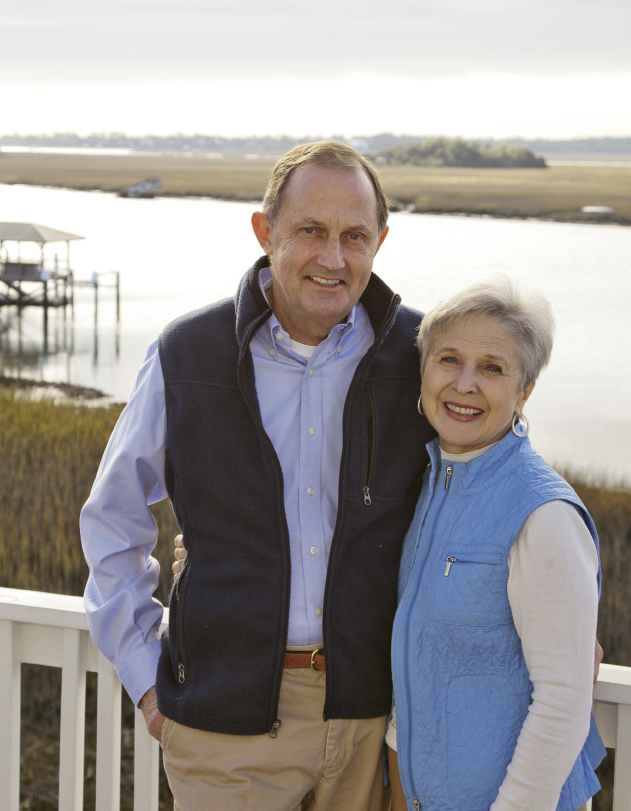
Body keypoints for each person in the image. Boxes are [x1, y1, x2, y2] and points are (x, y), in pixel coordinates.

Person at [80, 140, 435, 811]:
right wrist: (145, 677)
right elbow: (111, 519)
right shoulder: (189, 353)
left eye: (354, 236)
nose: (333, 258)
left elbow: (498, 485)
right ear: (264, 231)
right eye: (310, 231)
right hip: (226, 724)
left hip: (374, 723)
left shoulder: (421, 355)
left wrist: (556, 608)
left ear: (380, 242)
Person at [386, 277, 605, 811]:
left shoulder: (544, 514)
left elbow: (563, 702)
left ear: (524, 390)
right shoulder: (431, 484)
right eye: (449, 359)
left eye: (492, 367)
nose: (464, 384)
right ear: (424, 371)